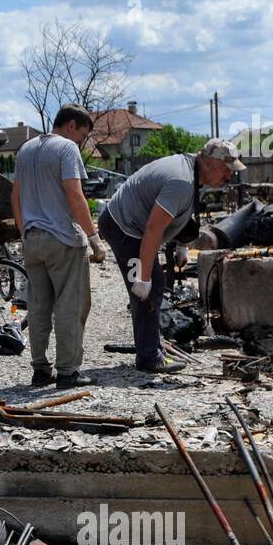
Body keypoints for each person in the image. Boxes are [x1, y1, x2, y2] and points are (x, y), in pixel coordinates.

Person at [98, 138, 245, 374]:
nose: (229, 175)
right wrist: (143, 277)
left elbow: (185, 215)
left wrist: (181, 246)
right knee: (148, 290)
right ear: (208, 162)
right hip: (123, 226)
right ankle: (149, 357)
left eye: (231, 170)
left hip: (136, 225)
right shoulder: (181, 181)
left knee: (153, 285)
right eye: (226, 169)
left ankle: (152, 346)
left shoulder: (194, 172)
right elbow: (153, 229)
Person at [10, 104, 107, 389]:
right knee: (71, 306)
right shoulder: (66, 149)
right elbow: (74, 194)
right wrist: (94, 238)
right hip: (63, 239)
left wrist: (23, 230)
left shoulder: (26, 149)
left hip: (33, 239)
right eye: (82, 135)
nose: (80, 142)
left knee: (38, 307)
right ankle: (68, 373)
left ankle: (40, 371)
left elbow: (15, 196)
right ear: (71, 126)